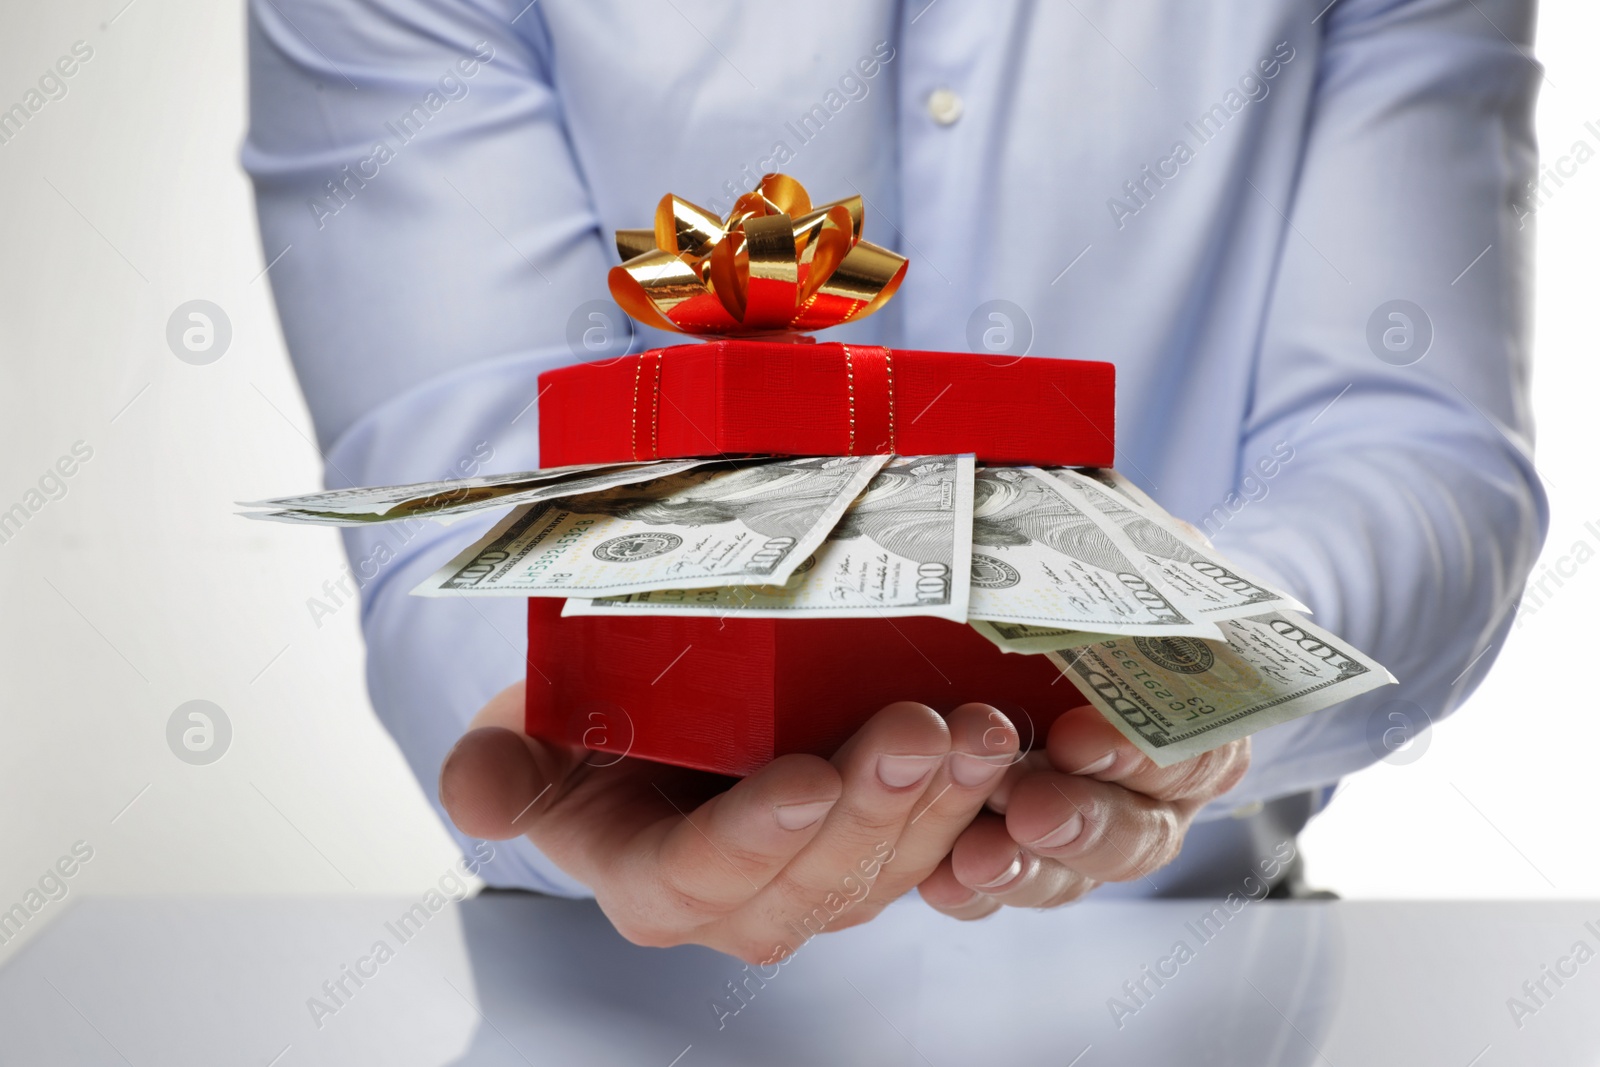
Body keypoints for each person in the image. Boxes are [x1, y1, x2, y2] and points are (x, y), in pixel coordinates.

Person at [243, 0, 1546, 961]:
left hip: (1197, 969)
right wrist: (570, 716)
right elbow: (464, 473)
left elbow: (1412, 440)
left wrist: (1198, 682)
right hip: (601, 984)